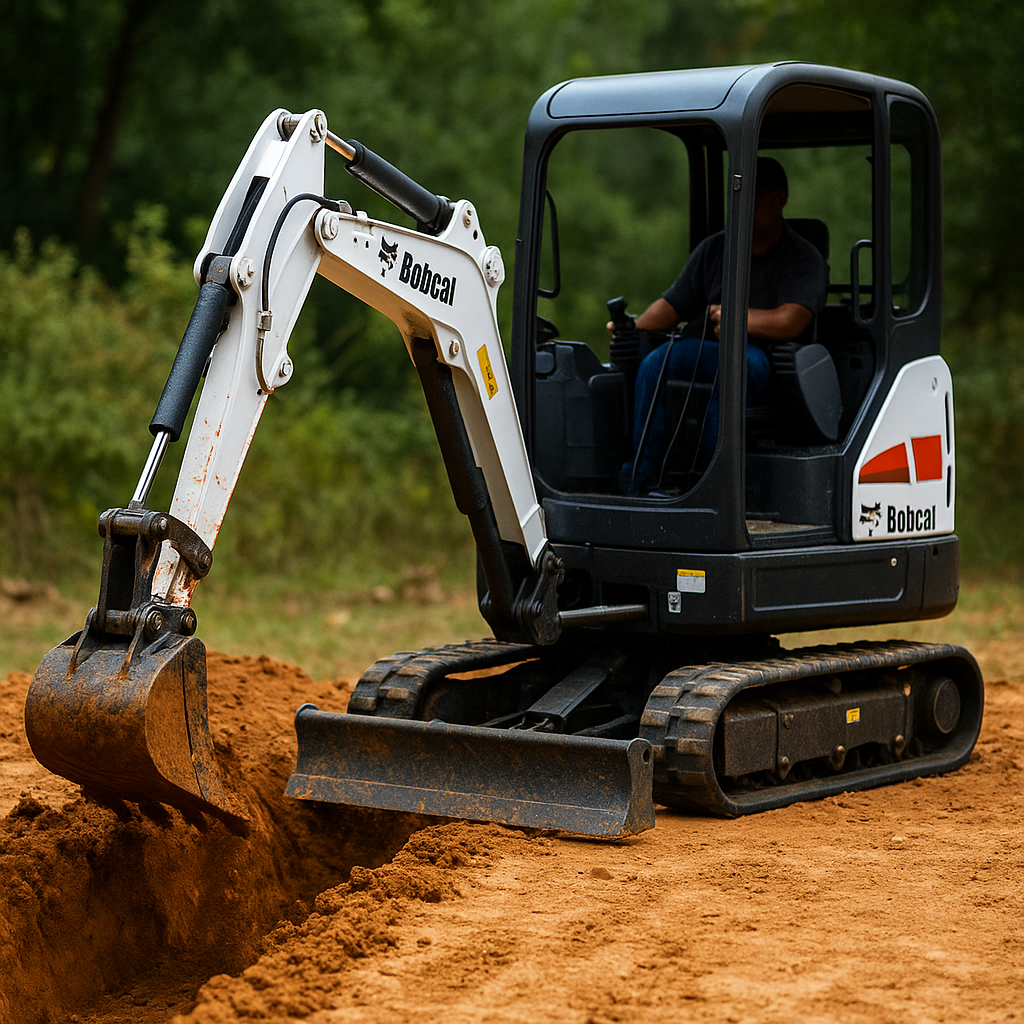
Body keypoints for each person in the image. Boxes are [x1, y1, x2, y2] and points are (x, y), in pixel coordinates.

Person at [615, 157, 827, 494]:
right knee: (655, 363)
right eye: (738, 195)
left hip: (766, 356)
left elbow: (791, 320)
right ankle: (639, 483)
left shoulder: (802, 258)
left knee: (727, 369)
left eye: (753, 194)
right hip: (706, 347)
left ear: (779, 199)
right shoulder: (716, 249)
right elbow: (673, 305)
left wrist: (734, 318)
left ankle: (717, 487)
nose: (743, 204)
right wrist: (632, 328)